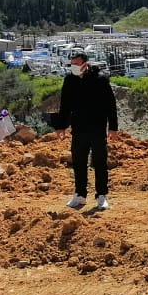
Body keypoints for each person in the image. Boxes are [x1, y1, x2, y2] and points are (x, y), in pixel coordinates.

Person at [58, 47, 118, 209]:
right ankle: (80, 195)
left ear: (85, 64)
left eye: (77, 64)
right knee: (78, 162)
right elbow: (65, 105)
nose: (74, 67)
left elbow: (110, 104)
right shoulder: (69, 80)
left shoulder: (100, 79)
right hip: (78, 128)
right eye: (72, 64)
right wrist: (61, 126)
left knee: (99, 162)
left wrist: (113, 127)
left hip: (97, 127)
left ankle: (101, 196)